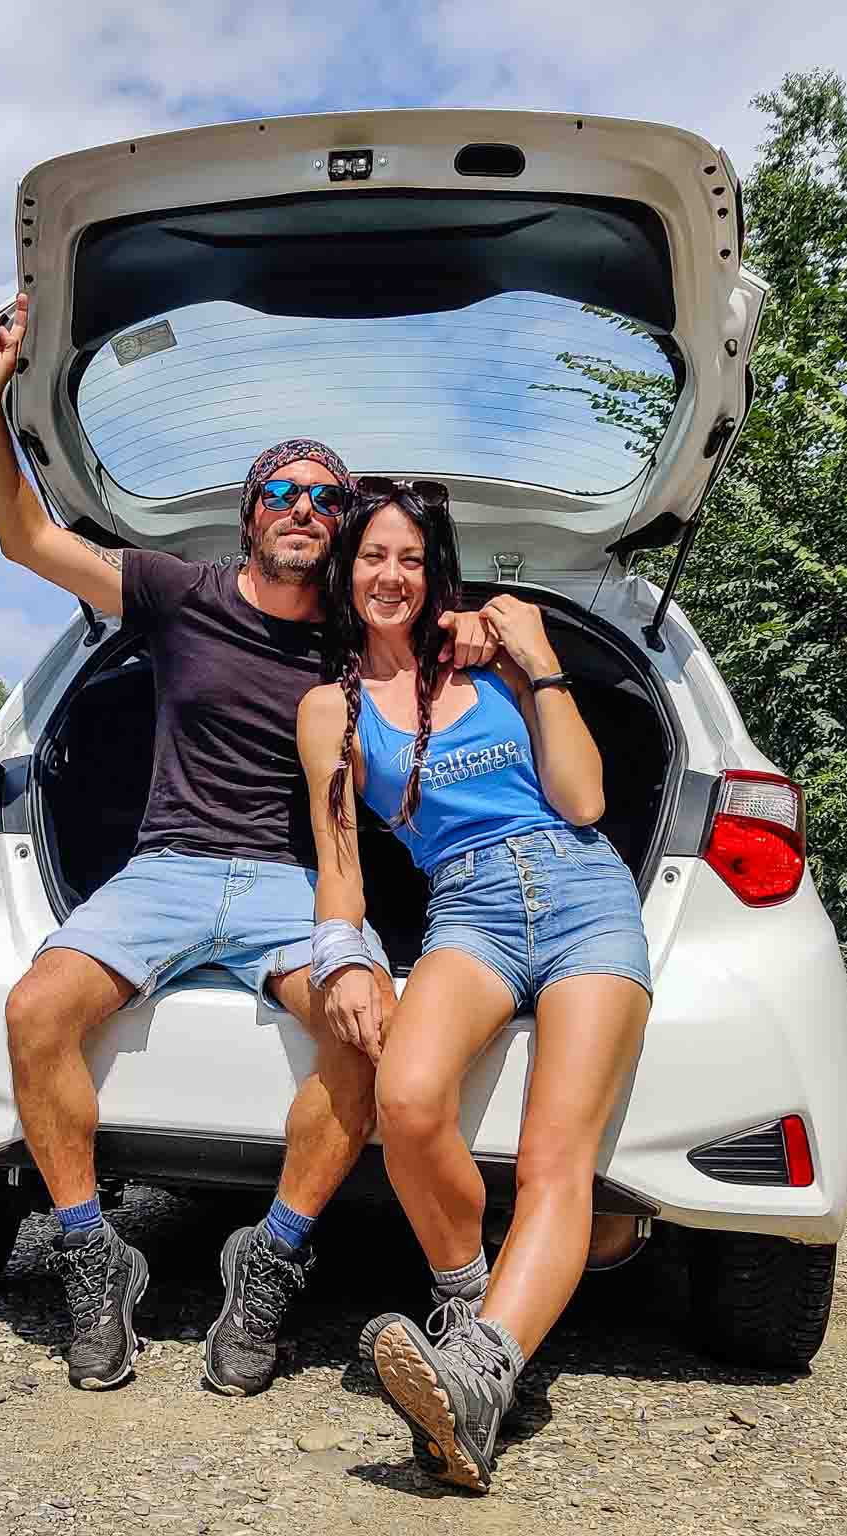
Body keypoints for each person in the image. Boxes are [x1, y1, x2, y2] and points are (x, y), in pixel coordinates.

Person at [0, 295, 498, 1396]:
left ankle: (273, 1258)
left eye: (323, 498)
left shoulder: (364, 630)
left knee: (365, 1036)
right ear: (249, 514)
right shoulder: (174, 591)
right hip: (160, 872)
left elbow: (451, 654)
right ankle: (86, 1251)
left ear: (340, 524)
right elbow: (24, 535)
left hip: (287, 887)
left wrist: (493, 635)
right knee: (32, 1009)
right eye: (281, 492)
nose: (302, 507)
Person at [296, 478, 652, 1493]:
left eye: (410, 559)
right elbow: (338, 857)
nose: (390, 575)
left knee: (554, 1157)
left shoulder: (489, 664)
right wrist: (347, 953)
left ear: (431, 573)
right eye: (372, 556)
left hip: (582, 889)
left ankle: (478, 1373)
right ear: (344, 570)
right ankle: (469, 1316)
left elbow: (583, 798)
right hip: (468, 908)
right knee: (404, 1103)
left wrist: (538, 660)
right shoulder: (331, 709)